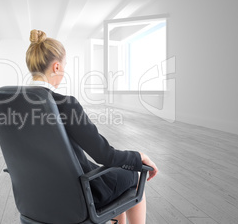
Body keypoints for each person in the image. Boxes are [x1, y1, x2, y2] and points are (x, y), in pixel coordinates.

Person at [25, 29, 158, 224]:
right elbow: (105, 155)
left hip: (37, 194)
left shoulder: (14, 104)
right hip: (79, 193)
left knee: (117, 182)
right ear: (56, 67)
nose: (64, 71)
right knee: (134, 178)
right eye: (64, 66)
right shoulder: (65, 104)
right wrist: (140, 158)